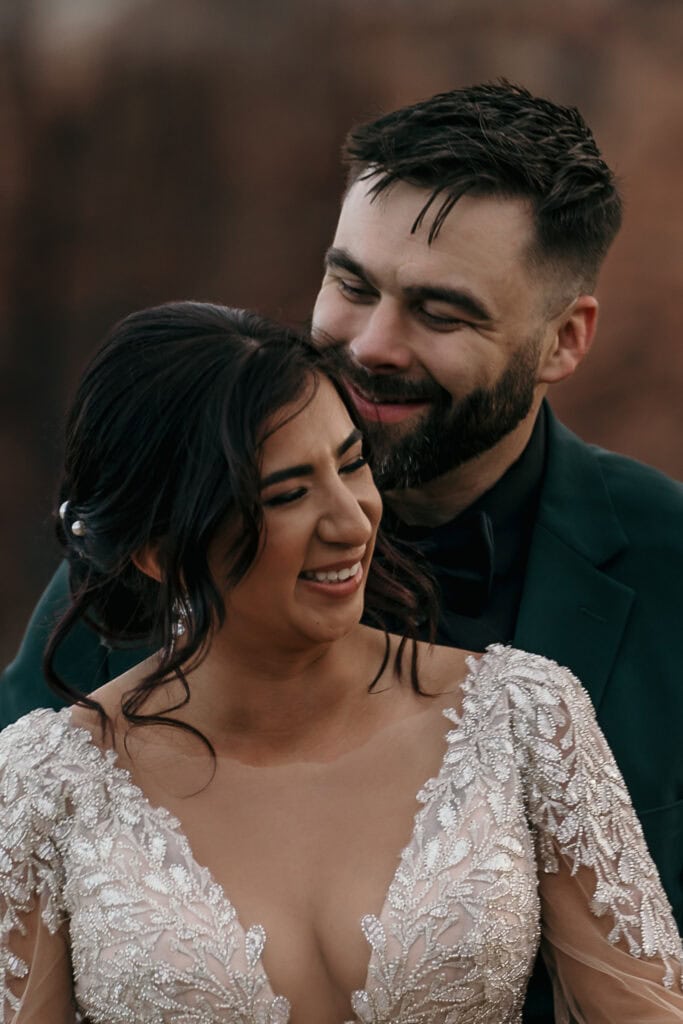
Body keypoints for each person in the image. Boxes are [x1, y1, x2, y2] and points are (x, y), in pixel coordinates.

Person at [1, 83, 683, 1021]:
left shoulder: (664, 572)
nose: (369, 344)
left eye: (439, 313)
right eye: (352, 284)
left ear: (563, 340)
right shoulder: (150, 560)